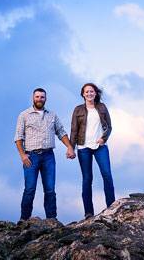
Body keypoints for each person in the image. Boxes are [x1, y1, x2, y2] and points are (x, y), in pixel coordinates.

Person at [14, 87, 75, 221]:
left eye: (42, 97)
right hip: (31, 157)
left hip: (48, 156)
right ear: (33, 98)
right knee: (29, 189)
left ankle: (51, 219)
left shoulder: (52, 115)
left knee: (50, 190)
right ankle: (24, 219)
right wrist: (22, 155)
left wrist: (70, 147)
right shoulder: (24, 115)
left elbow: (61, 132)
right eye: (37, 97)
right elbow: (18, 137)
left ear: (46, 99)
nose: (39, 99)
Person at [70, 82, 115, 219]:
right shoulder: (78, 110)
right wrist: (71, 148)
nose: (89, 94)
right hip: (83, 147)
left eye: (92, 91)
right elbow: (74, 130)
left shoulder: (102, 107)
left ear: (95, 93)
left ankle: (112, 207)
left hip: (100, 146)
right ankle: (88, 212)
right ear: (83, 94)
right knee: (87, 179)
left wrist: (104, 138)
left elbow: (109, 127)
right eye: (87, 92)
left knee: (107, 175)